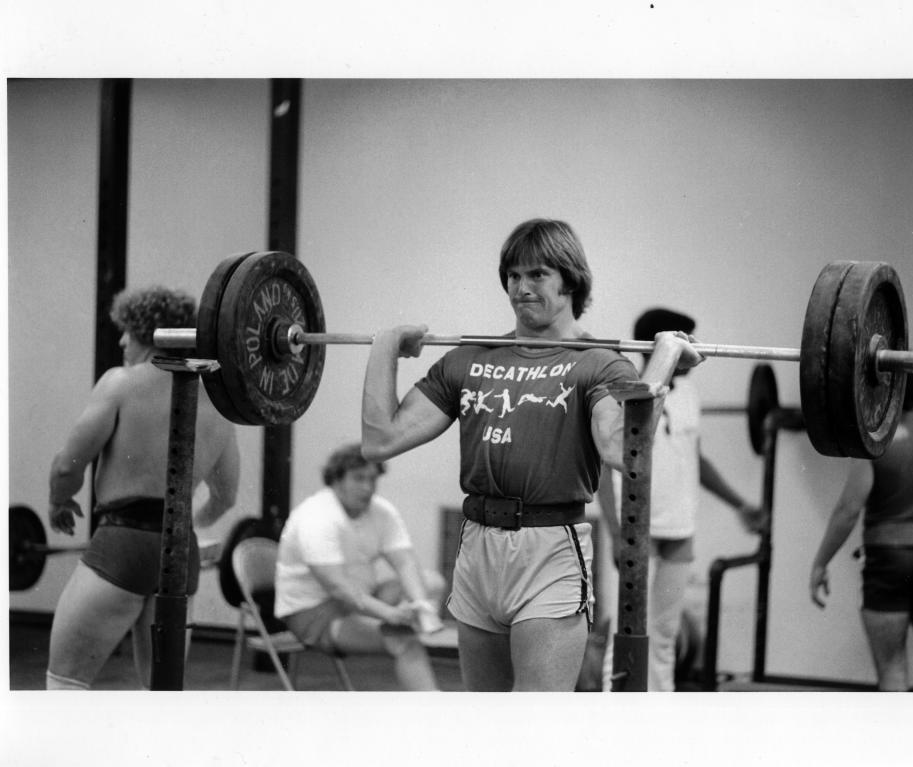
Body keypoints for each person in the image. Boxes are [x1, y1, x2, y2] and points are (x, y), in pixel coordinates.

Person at [360, 218, 704, 691]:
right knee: (486, 722)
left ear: (570, 281)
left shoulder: (599, 363)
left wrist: (662, 359)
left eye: (537, 275)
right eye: (514, 276)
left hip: (549, 549)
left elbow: (624, 450)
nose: (521, 288)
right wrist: (385, 348)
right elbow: (380, 440)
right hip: (477, 545)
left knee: (537, 724)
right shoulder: (469, 359)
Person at [46, 286, 240, 690]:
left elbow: (67, 465)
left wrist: (59, 501)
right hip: (179, 554)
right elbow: (226, 496)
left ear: (148, 333)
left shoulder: (120, 383)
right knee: (161, 697)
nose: (121, 341)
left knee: (65, 685)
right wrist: (187, 526)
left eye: (127, 332)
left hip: (122, 543)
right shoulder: (218, 400)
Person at [597, 307, 762, 692]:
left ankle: (660, 716)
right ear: (661, 344)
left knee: (665, 633)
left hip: (680, 530)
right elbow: (604, 470)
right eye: (685, 340)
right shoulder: (626, 389)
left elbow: (696, 459)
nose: (694, 350)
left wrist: (740, 504)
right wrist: (616, 530)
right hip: (638, 528)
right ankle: (613, 715)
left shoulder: (688, 392)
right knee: (626, 633)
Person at [275, 443, 446, 691]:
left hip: (360, 597)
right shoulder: (316, 516)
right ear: (336, 479)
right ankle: (434, 714)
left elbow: (405, 561)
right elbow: (337, 587)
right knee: (404, 641)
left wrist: (421, 604)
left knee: (431, 582)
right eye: (358, 478)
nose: (367, 488)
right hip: (315, 613)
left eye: (372, 479)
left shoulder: (381, 511)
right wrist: (389, 615)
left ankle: (405, 622)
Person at [809, 373, 913, 691]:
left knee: (892, 671)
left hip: (888, 561)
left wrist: (820, 562)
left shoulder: (876, 440)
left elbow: (849, 509)